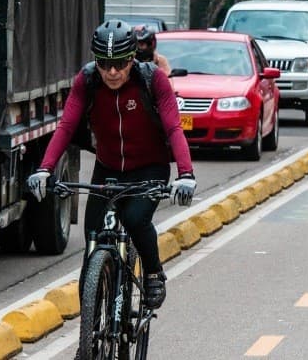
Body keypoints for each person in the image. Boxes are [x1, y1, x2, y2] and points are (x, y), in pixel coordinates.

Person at [27, 20, 195, 309]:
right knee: (92, 233)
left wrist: (186, 174)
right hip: (107, 169)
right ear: (96, 61)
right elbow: (66, 127)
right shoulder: (87, 81)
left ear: (132, 58)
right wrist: (45, 168)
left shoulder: (152, 80)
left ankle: (154, 273)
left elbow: (173, 128)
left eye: (119, 63)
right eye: (104, 64)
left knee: (134, 219)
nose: (112, 72)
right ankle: (90, 328)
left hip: (149, 168)